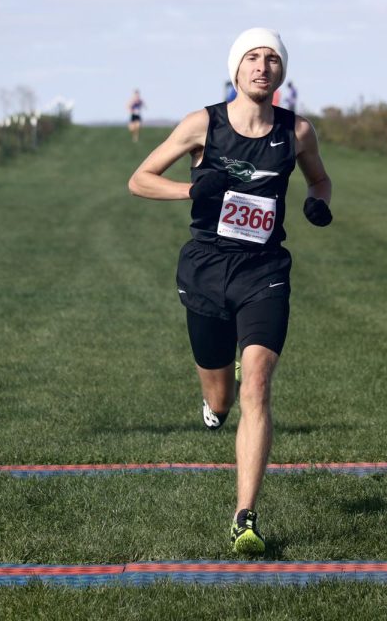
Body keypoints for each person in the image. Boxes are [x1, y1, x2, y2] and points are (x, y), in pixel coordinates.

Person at [128, 28, 333, 555]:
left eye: (271, 59)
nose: (262, 67)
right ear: (236, 70)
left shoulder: (298, 131)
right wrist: (191, 189)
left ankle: (245, 515)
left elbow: (319, 179)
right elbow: (140, 179)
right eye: (252, 58)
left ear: (281, 73)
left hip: (264, 269)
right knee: (220, 399)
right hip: (206, 269)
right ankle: (214, 400)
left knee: (257, 386)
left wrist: (316, 200)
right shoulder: (203, 124)